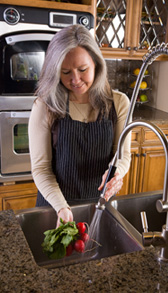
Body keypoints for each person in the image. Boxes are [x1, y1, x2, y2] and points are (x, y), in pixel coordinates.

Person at [28, 24, 131, 227]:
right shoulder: (45, 106)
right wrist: (62, 208)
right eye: (66, 72)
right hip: (55, 208)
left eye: (83, 70)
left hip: (100, 207)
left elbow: (122, 155)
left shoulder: (118, 103)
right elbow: (41, 169)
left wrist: (117, 172)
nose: (75, 80)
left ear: (96, 64)